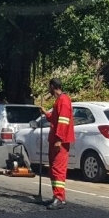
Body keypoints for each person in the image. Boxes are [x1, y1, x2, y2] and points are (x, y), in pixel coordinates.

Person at [39, 78, 74, 210]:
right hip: (54, 140)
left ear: (53, 86)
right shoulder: (59, 100)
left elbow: (63, 122)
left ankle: (59, 198)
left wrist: (59, 139)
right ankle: (59, 196)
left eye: (49, 86)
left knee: (58, 169)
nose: (49, 89)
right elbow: (55, 119)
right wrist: (46, 114)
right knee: (53, 169)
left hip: (59, 141)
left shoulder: (64, 101)